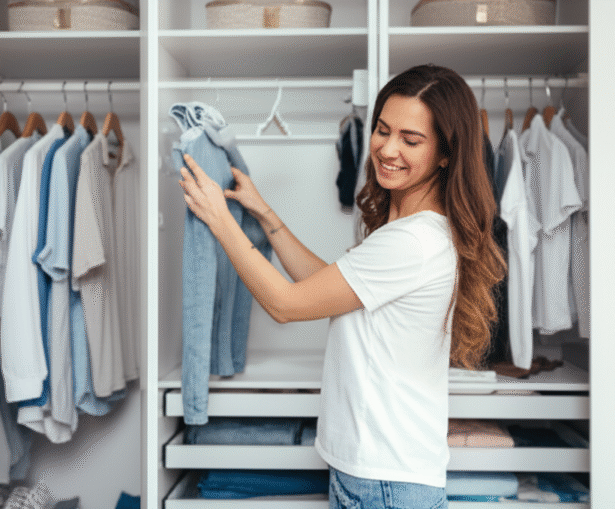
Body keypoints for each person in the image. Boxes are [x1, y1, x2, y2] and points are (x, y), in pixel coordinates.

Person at [178, 64, 505, 509]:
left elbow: (285, 304)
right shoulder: (411, 230)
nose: (387, 149)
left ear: (446, 153)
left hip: (383, 480)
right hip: (383, 472)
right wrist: (265, 214)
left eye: (410, 140)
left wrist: (219, 219)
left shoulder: (413, 242)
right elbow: (327, 285)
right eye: (383, 130)